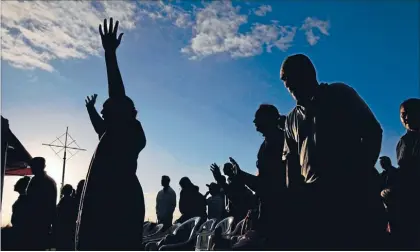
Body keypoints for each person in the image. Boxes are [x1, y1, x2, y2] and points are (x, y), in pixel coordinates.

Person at [280, 54, 386, 249]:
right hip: (316, 199)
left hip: (355, 195)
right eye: (285, 81)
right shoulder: (291, 119)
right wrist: (295, 195)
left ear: (309, 73)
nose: (288, 85)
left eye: (292, 77)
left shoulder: (340, 94)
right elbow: (291, 159)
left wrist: (360, 173)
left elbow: (372, 131)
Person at [76, 18, 146, 250]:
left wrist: (109, 55)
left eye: (107, 110)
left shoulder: (128, 132)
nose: (104, 112)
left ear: (122, 113)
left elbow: (116, 95)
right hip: (110, 201)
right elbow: (101, 129)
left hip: (117, 204)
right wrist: (90, 110)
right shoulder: (115, 136)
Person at [228, 104, 288, 249]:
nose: (254, 122)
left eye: (257, 118)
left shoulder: (281, 142)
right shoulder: (265, 145)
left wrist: (241, 176)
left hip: (278, 215)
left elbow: (267, 185)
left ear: (268, 118)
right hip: (266, 213)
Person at [393, 98, 420, 248]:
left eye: (409, 113)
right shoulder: (403, 141)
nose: (405, 117)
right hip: (405, 195)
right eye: (402, 114)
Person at [26, 157, 57, 250]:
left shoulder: (42, 182)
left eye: (33, 166)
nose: (31, 168)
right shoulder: (48, 181)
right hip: (41, 222)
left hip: (38, 222)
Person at [56, 184, 77, 251]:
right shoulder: (73, 201)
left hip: (62, 226)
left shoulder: (63, 201)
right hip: (70, 226)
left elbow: (58, 213)